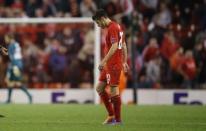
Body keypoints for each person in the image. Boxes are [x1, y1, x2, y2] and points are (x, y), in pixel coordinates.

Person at [92, 9, 129, 125]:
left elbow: (114, 46)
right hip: (112, 64)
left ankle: (118, 120)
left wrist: (103, 61)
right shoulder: (117, 26)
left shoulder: (112, 27)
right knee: (99, 88)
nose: (98, 26)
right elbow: (123, 45)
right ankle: (111, 115)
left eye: (98, 23)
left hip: (113, 64)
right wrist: (125, 61)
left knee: (113, 90)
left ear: (102, 18)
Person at [3, 33, 32, 103]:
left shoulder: (11, 45)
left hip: (15, 66)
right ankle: (9, 99)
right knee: (10, 83)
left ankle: (29, 95)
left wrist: (9, 69)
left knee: (18, 83)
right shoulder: (16, 44)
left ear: (9, 38)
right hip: (18, 64)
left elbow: (12, 57)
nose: (5, 40)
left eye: (6, 38)